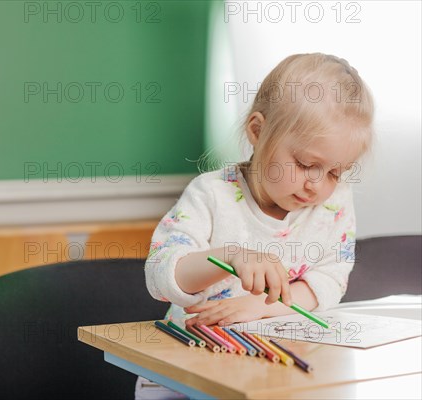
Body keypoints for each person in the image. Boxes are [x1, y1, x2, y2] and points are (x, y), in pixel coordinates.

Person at [137, 53, 374, 398]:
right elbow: (160, 275)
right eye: (307, 164)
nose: (317, 185)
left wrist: (261, 307)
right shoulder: (212, 195)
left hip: (272, 375)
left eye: (336, 172)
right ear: (258, 131)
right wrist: (229, 257)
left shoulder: (334, 203)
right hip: (186, 375)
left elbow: (330, 278)